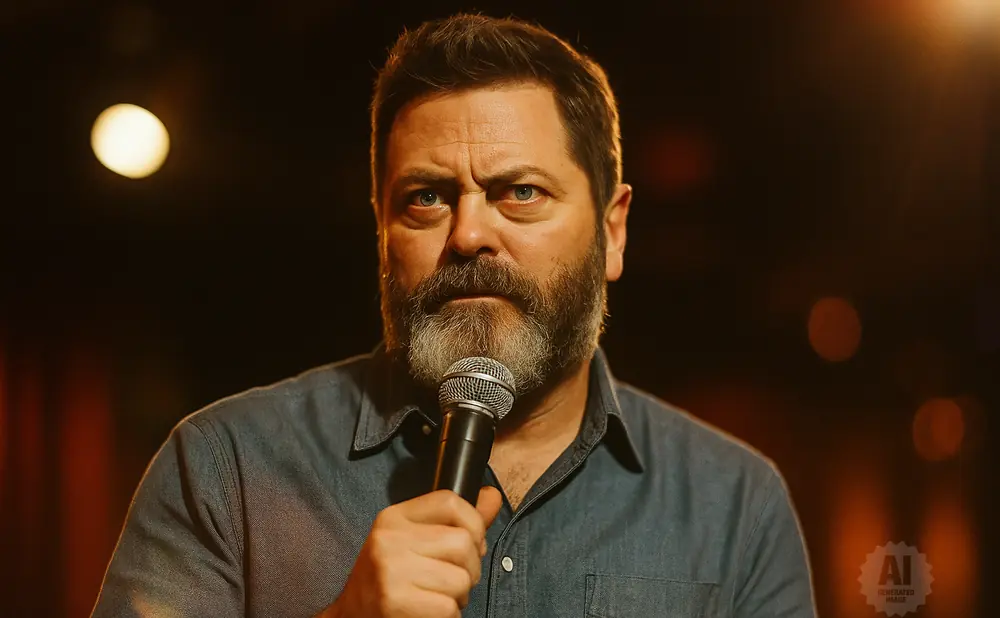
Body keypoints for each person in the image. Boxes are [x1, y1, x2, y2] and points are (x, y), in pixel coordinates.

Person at [92, 13, 817, 618]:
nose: (468, 234)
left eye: (521, 192)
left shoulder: (736, 507)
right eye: (427, 198)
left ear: (613, 229)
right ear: (381, 229)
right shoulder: (228, 471)